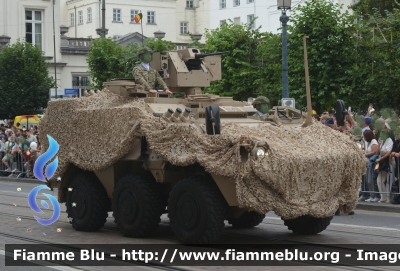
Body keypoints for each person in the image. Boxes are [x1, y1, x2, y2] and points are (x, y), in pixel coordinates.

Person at [376, 127, 393, 203]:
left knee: (386, 181)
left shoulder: (390, 141)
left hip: (388, 162)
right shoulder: (382, 141)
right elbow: (377, 152)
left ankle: (387, 198)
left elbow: (388, 152)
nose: (381, 135)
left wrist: (381, 158)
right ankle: (382, 197)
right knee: (379, 180)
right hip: (381, 162)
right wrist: (379, 144)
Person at [362, 130, 380, 202]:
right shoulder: (368, 142)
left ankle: (376, 195)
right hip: (368, 163)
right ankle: (372, 195)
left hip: (373, 163)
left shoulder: (373, 142)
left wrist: (365, 155)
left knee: (372, 179)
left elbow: (374, 152)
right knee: (368, 180)